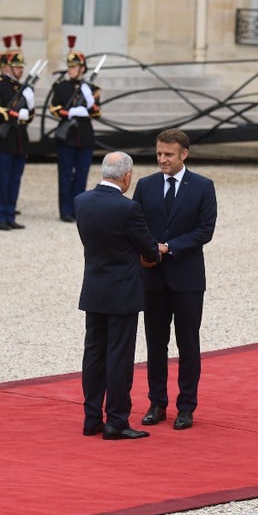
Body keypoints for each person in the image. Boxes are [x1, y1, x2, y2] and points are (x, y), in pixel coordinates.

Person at [132, 128, 217, 431]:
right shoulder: (145, 185)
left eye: (168, 154)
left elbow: (205, 230)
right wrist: (146, 250)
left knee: (188, 343)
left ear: (184, 154)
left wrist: (169, 247)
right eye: (159, 154)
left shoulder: (203, 187)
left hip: (187, 278)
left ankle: (186, 406)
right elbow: (136, 223)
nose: (162, 159)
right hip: (152, 277)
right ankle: (157, 403)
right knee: (156, 344)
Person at [74, 151, 161, 440]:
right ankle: (116, 420)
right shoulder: (127, 208)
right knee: (119, 357)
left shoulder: (82, 202)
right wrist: (151, 254)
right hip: (122, 291)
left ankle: (91, 418)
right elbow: (148, 248)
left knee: (94, 355)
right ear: (126, 176)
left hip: (94, 288)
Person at [48, 50, 102, 222]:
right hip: (67, 137)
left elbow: (97, 113)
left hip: (84, 136)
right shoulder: (61, 87)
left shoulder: (91, 89)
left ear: (82, 68)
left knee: (81, 175)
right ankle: (65, 211)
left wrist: (89, 104)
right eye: (69, 67)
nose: (70, 70)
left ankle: (78, 210)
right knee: (65, 175)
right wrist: (70, 111)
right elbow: (54, 108)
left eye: (74, 67)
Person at [0, 36, 33, 230]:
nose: (20, 70)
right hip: (3, 139)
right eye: (16, 66)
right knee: (1, 179)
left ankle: (10, 213)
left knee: (14, 179)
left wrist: (28, 110)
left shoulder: (23, 87)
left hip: (19, 139)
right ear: (6, 67)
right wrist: (15, 113)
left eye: (21, 66)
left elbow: (30, 115)